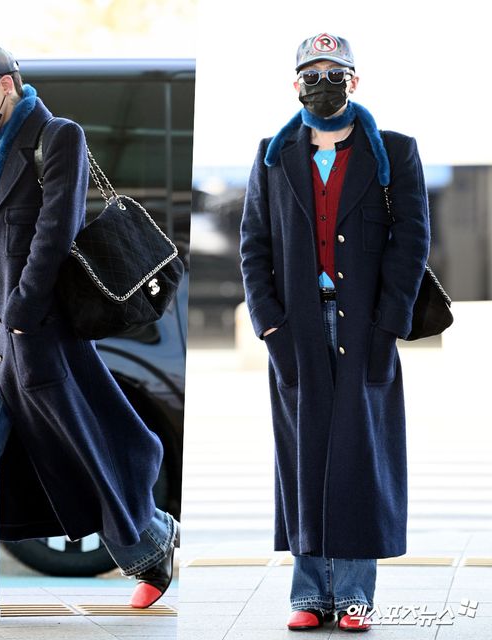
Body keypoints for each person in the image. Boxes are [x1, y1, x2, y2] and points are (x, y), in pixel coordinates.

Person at [0, 43, 179, 623]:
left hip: (36, 328)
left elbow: (56, 233)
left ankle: (152, 542)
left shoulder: (58, 137)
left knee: (81, 447)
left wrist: (21, 314)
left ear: (6, 85)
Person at [240, 33, 430, 632]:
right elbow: (253, 246)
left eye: (334, 72)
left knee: (357, 461)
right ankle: (308, 595)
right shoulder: (274, 154)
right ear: (296, 84)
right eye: (312, 73)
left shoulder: (393, 152)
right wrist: (270, 324)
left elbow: (412, 243)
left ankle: (351, 596)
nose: (323, 82)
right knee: (302, 459)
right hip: (295, 328)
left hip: (365, 327)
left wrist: (389, 324)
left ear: (354, 80)